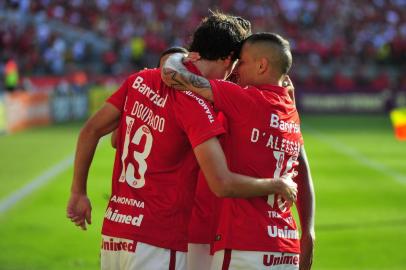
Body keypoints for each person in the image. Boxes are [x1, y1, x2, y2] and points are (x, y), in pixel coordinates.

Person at [66, 12, 298, 270]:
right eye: (237, 65)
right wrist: (278, 184)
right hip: (159, 240)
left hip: (115, 233)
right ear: (228, 60)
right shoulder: (196, 104)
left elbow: (95, 133)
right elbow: (221, 182)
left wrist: (78, 192)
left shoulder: (139, 80)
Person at [162, 32, 315, 270]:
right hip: (285, 247)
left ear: (262, 65)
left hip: (244, 246)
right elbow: (302, 168)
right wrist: (309, 232)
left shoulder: (245, 99)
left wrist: (175, 57)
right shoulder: (291, 112)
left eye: (241, 62)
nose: (236, 70)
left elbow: (173, 76)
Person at [111, 46, 189, 149]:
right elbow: (116, 141)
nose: (172, 74)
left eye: (178, 67)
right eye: (166, 69)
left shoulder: (189, 107)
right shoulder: (143, 105)